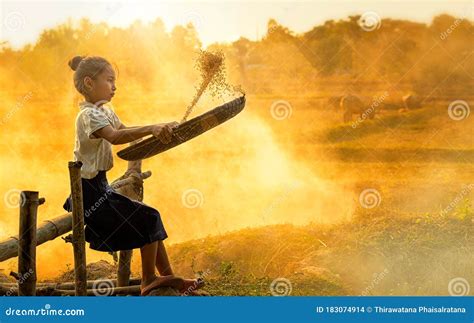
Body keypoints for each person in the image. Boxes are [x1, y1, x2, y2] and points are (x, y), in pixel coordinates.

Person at [63, 55, 203, 296]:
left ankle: (168, 278)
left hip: (101, 187)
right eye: (109, 80)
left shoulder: (104, 110)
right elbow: (115, 138)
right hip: (89, 194)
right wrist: (152, 128)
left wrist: (158, 131)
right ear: (89, 83)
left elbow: (124, 130)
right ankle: (149, 279)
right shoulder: (88, 116)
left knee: (150, 218)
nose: (114, 86)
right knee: (148, 217)